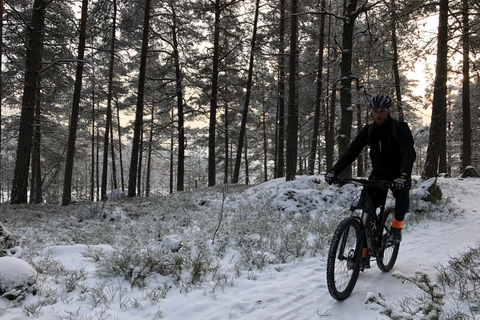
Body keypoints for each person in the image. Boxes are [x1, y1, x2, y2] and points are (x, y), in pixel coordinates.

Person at [325, 94, 416, 246]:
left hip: (398, 173)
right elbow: (352, 151)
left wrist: (404, 174)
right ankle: (365, 250)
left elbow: (409, 152)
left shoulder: (400, 128)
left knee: (402, 194)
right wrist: (335, 171)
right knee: (367, 207)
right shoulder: (369, 130)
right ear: (370, 112)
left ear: (388, 111)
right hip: (378, 174)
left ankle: (396, 229)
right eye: (374, 111)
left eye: (381, 111)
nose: (378, 115)